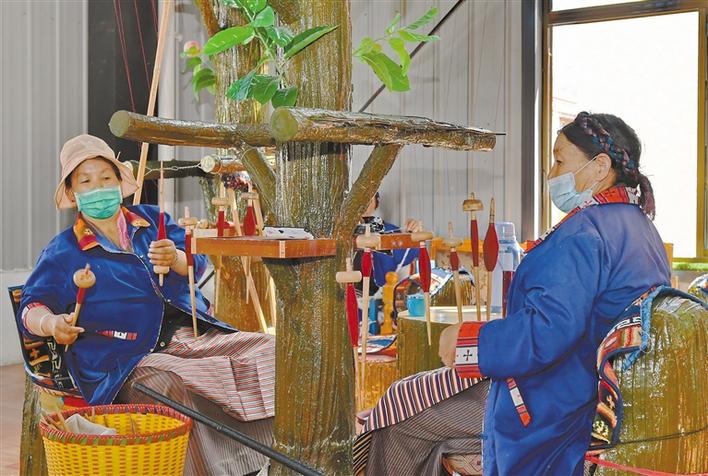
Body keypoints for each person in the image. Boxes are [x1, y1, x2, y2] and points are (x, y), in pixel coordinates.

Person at [355, 112, 670, 475]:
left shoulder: (586, 232)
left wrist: (469, 343)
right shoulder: (639, 227)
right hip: (588, 391)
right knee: (408, 394)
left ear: (600, 167)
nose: (551, 175)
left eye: (559, 161)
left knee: (399, 419)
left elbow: (547, 331)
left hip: (554, 402)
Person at [17, 134, 274, 475]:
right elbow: (31, 306)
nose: (98, 187)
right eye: (86, 181)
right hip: (124, 358)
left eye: (105, 177)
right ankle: (225, 469)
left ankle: (268, 460)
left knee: (270, 352)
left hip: (188, 335)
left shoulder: (151, 220)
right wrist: (52, 324)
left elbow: (198, 263)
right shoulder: (63, 251)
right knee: (170, 387)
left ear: (118, 182)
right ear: (73, 193)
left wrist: (177, 258)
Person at [355, 191, 422, 294]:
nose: (364, 203)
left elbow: (412, 252)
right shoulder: (340, 232)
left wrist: (415, 233)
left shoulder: (389, 231)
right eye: (359, 198)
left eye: (369, 199)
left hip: (379, 295)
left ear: (376, 203)